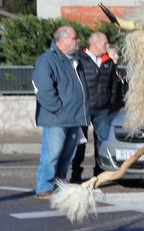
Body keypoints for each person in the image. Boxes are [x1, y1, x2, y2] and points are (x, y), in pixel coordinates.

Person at [32, 25, 88, 198]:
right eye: (74, 38)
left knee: (66, 155)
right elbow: (42, 88)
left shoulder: (74, 60)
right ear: (62, 40)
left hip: (73, 117)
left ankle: (59, 184)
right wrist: (57, 108)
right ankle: (44, 187)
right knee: (52, 154)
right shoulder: (47, 60)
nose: (78, 41)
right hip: (57, 118)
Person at [76, 30, 125, 176]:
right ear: (95, 44)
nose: (107, 46)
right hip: (83, 107)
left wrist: (112, 102)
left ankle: (99, 172)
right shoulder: (79, 59)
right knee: (80, 142)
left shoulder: (108, 62)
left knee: (102, 140)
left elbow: (114, 84)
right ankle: (76, 173)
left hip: (103, 109)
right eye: (105, 43)